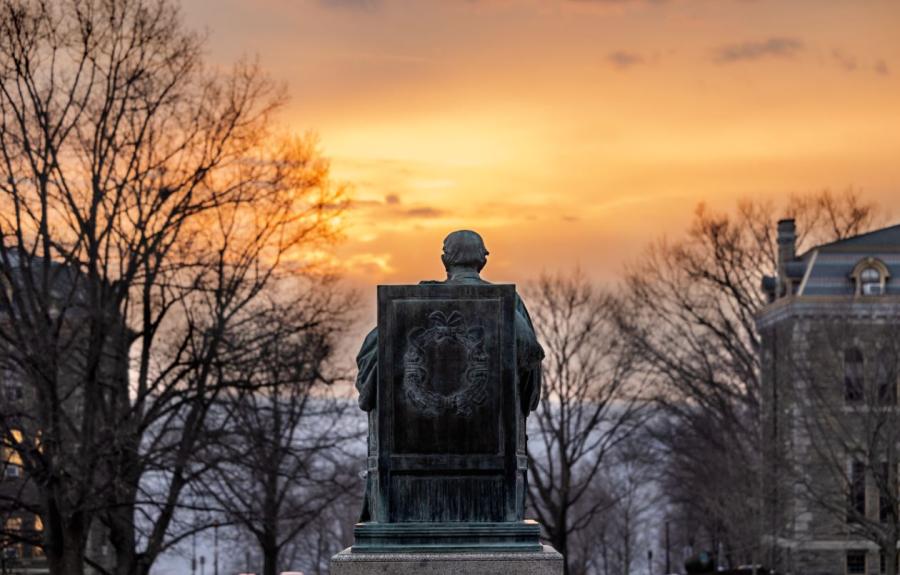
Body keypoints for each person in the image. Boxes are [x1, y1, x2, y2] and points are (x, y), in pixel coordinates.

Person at [354, 230, 544, 521]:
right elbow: (530, 352)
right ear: (483, 259)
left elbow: (372, 353)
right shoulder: (504, 302)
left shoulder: (412, 303)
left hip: (407, 480)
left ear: (445, 259)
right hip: (492, 477)